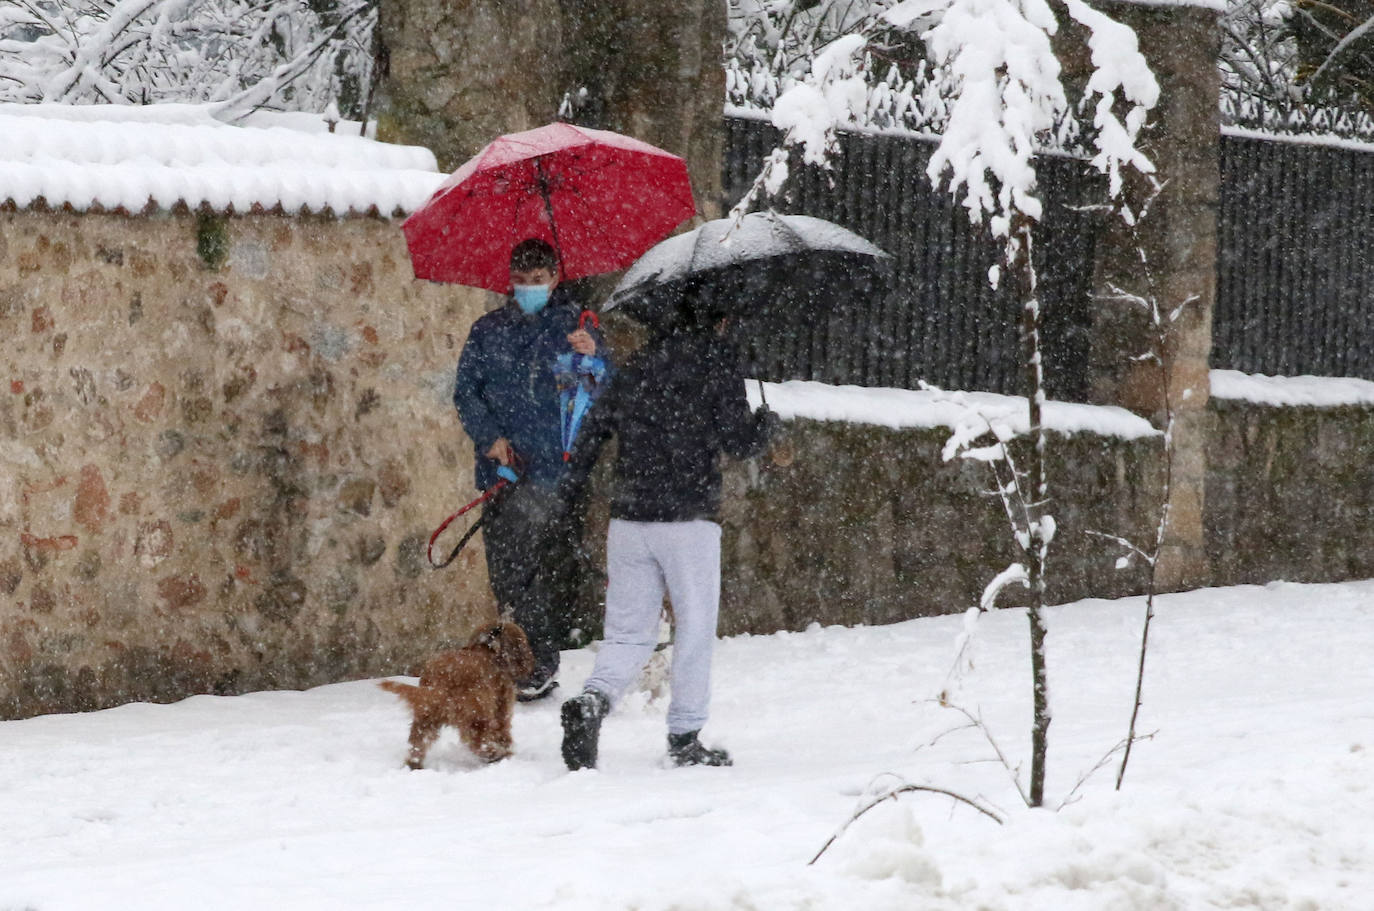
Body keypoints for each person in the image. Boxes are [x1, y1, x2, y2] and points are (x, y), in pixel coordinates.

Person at [557, 292, 778, 769]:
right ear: (715, 318)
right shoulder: (717, 362)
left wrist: (570, 490)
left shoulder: (636, 365)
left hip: (629, 518)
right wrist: (765, 426)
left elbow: (594, 428)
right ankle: (685, 737)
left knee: (627, 633)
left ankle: (594, 701)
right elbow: (738, 440)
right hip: (688, 519)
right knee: (694, 629)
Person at [453, 238, 603, 701]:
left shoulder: (577, 326)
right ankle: (522, 661)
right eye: (520, 282)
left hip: (554, 476)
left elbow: (595, 399)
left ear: (555, 277)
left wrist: (591, 358)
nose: (528, 289)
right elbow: (466, 393)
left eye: (537, 281)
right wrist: (490, 438)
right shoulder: (487, 331)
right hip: (501, 473)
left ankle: (536, 665)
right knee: (508, 571)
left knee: (538, 571)